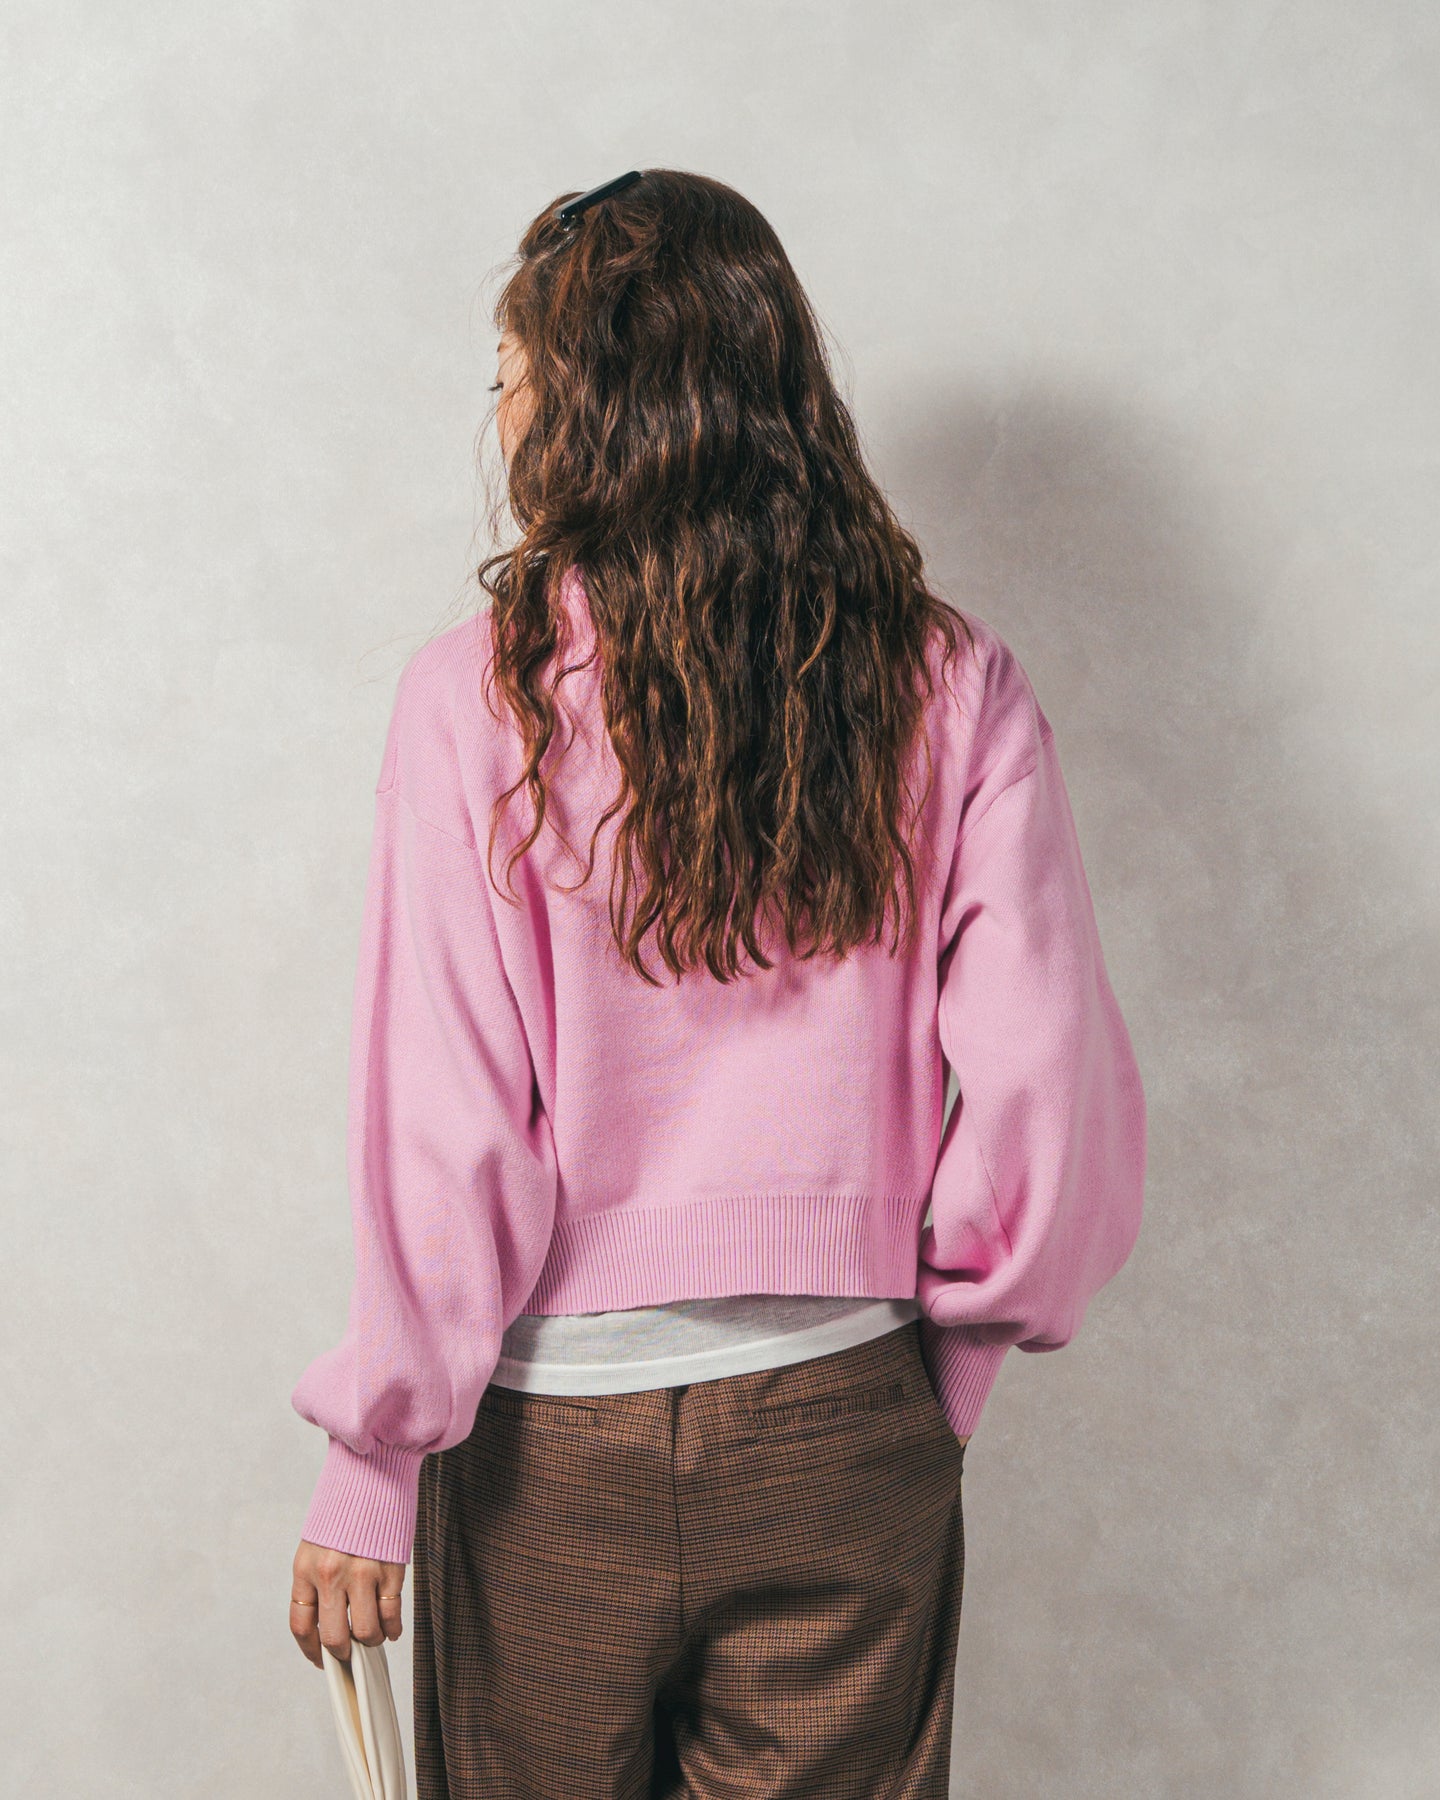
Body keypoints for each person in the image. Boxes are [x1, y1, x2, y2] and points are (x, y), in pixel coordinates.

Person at [287, 168, 1147, 1799]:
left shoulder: (477, 703)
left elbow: (445, 1120)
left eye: (511, 372)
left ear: (585, 403)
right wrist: (940, 1379)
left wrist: (375, 1460)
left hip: (551, 1451)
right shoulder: (949, 682)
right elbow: (1045, 1079)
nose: (500, 410)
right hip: (845, 1419)